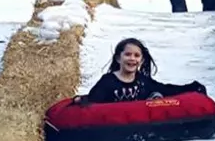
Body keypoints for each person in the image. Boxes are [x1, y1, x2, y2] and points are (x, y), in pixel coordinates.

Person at [75, 38, 207, 104]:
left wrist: (191, 88)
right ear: (118, 58)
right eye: (127, 54)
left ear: (142, 60)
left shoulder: (142, 81)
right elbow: (93, 102)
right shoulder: (108, 81)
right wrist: (80, 100)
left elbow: (166, 89)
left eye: (136, 56)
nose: (132, 59)